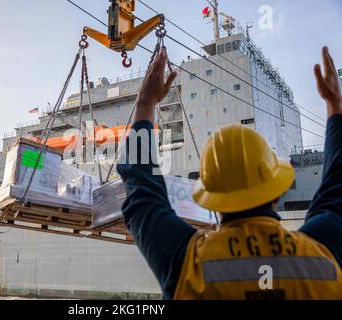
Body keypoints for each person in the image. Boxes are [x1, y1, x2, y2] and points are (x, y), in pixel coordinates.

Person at [117, 47, 342, 299]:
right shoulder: (323, 253)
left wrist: (145, 102)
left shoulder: (186, 262)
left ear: (214, 200)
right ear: (275, 193)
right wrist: (335, 105)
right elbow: (337, 188)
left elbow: (140, 188)